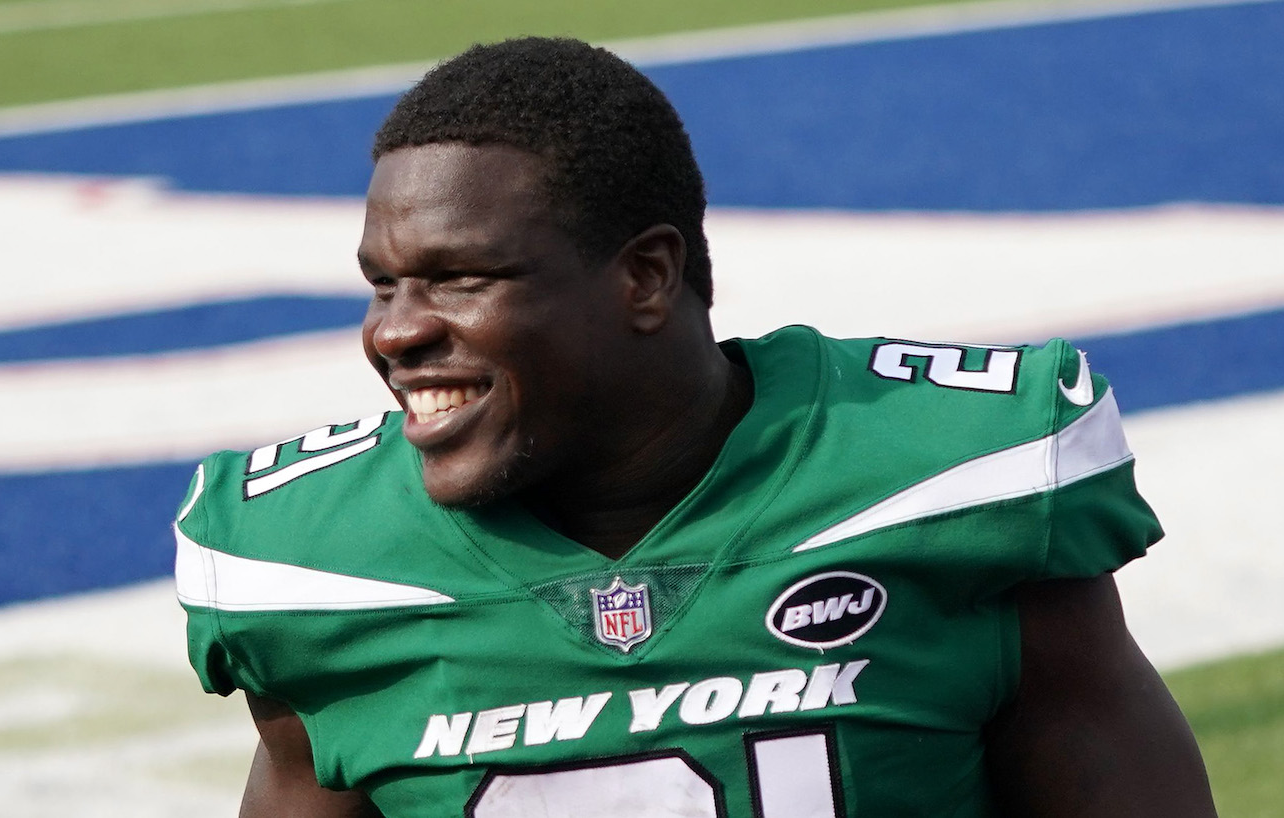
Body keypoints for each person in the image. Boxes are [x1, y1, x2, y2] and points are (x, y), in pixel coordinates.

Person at [174, 37, 1216, 818]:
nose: (395, 330)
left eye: (458, 277)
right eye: (383, 284)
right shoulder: (308, 571)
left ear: (644, 276)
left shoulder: (950, 481)